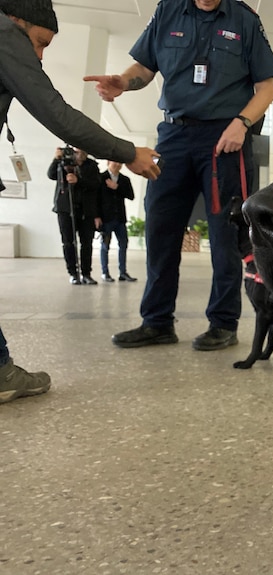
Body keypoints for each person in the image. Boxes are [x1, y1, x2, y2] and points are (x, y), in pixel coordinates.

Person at [87, 0, 273, 351]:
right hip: (174, 136)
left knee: (225, 234)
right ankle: (157, 322)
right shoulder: (168, 11)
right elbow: (145, 69)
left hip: (225, 139)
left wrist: (243, 124)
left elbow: (266, 86)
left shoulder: (245, 20)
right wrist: (122, 82)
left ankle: (223, 322)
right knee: (161, 229)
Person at [0, 0, 160, 404]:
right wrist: (127, 151)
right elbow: (57, 114)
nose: (37, 55)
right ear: (17, 20)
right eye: (39, 42)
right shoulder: (4, 33)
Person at [47, 147, 102, 285]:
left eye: (81, 151)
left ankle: (86, 273)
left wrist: (78, 180)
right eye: (76, 151)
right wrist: (56, 159)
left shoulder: (91, 165)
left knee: (87, 243)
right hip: (65, 209)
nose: (78, 154)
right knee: (68, 242)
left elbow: (96, 184)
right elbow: (51, 175)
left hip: (86, 210)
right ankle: (73, 273)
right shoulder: (62, 163)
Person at [98, 160, 137, 282]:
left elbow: (131, 195)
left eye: (120, 163)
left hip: (120, 218)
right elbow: (95, 199)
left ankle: (123, 272)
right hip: (106, 218)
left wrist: (117, 188)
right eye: (115, 162)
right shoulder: (100, 178)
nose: (117, 165)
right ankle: (105, 273)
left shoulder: (125, 180)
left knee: (123, 244)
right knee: (105, 246)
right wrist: (97, 217)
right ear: (108, 163)